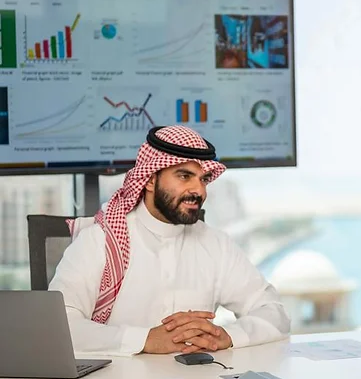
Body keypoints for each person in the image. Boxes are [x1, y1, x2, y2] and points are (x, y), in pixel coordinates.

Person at [49, 125, 290, 356]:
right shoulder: (100, 240)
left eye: (203, 179)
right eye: (184, 176)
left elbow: (273, 312)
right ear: (150, 180)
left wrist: (226, 336)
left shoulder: (216, 244)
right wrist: (144, 340)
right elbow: (58, 327)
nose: (199, 191)